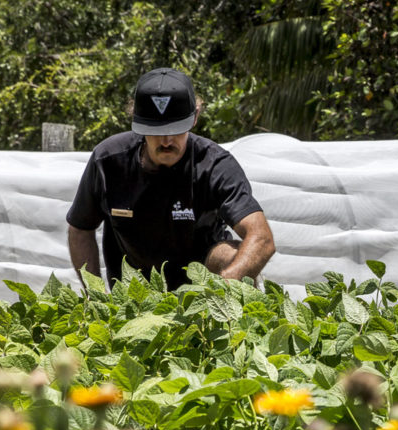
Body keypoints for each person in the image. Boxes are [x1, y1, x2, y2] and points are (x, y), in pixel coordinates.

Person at [66, 67, 275, 290]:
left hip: (201, 288)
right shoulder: (108, 161)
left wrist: (224, 286)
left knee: (230, 255)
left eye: (176, 129)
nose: (166, 140)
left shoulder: (215, 165)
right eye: (155, 130)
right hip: (132, 294)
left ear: (195, 117)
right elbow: (80, 229)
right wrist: (95, 294)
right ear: (137, 122)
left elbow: (261, 238)